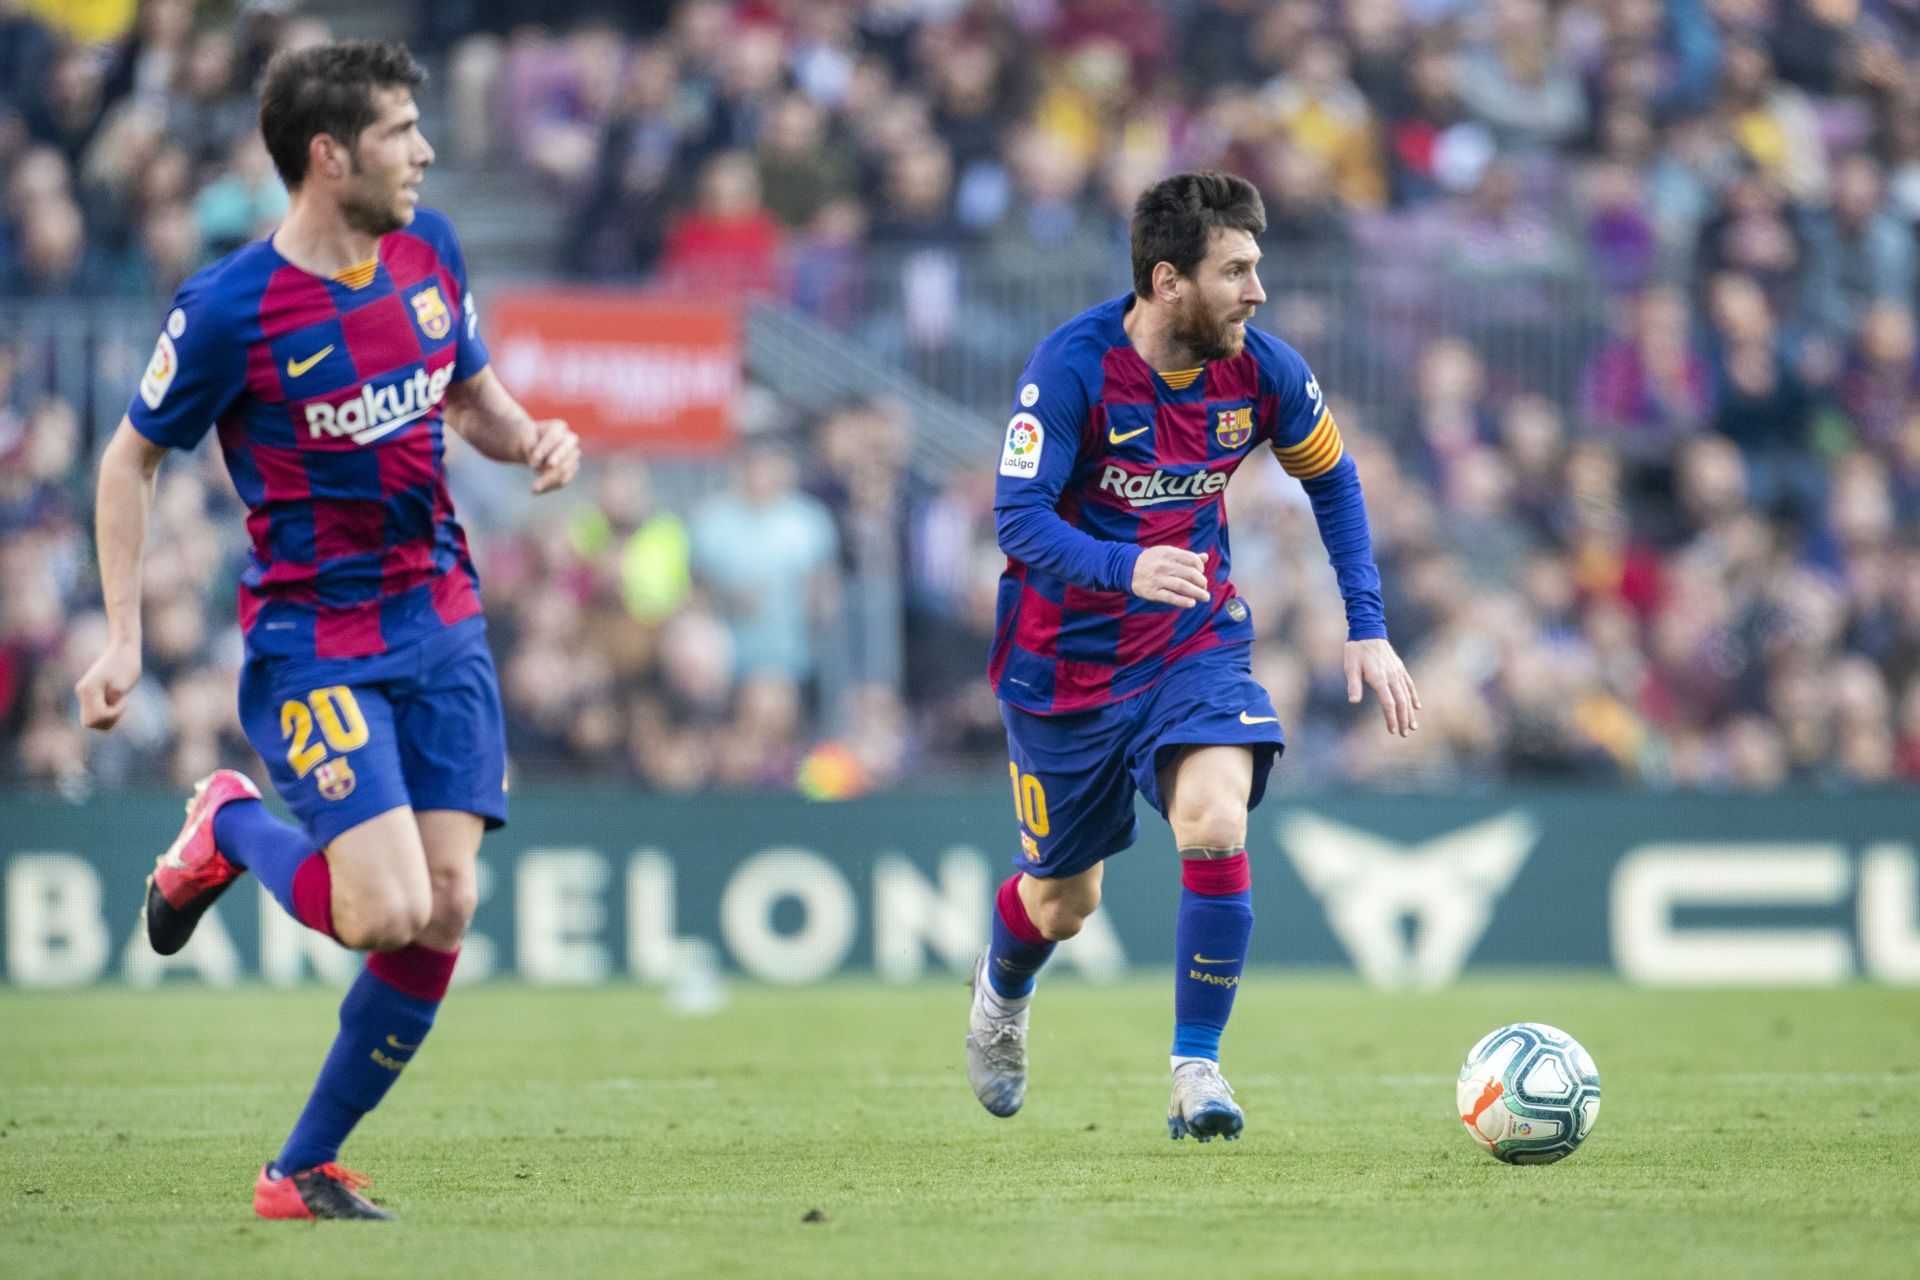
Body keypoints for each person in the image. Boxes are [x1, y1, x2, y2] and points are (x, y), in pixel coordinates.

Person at [72, 40, 581, 1220]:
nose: (429, 150)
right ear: (328, 153)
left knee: (447, 902)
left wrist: (535, 435)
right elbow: (127, 459)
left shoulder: (429, 250)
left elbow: (472, 397)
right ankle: (229, 822)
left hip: (441, 616)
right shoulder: (228, 308)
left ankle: (298, 1168)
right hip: (318, 637)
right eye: (405, 131)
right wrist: (121, 637)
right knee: (382, 911)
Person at [969, 171, 1418, 1141]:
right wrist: (1125, 566)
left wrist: (1367, 622)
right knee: (1063, 899)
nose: (1258, 291)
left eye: (1258, 267)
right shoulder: (1072, 369)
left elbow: (1333, 480)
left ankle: (1196, 1068)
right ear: (1168, 281)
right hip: (1064, 666)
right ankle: (1001, 992)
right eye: (1237, 270)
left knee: (1214, 818)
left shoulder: (1265, 370)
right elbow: (1017, 519)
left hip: (1192, 641)